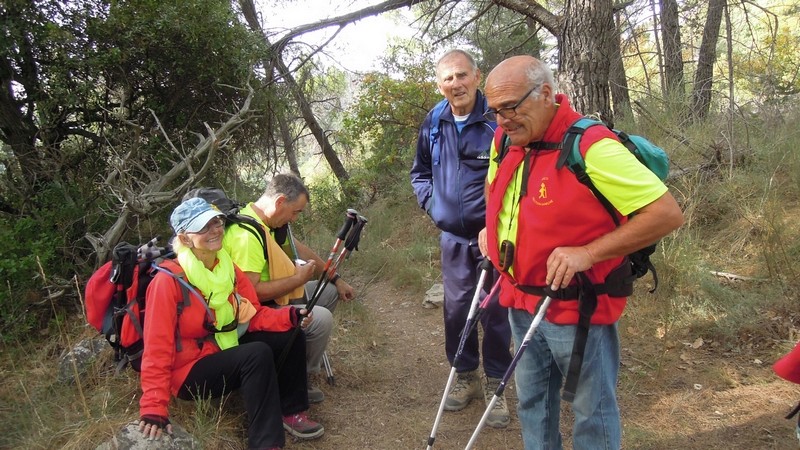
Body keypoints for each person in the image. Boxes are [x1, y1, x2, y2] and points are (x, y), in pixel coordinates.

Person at [478, 55, 684, 449]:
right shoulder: (506, 140)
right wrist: (491, 226)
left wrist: (588, 253)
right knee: (532, 402)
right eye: (495, 111)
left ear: (545, 93)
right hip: (520, 300)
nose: (503, 119)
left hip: (576, 309)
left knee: (593, 409)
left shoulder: (589, 145)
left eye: (511, 107)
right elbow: (497, 190)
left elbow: (666, 214)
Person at [138, 197, 324, 449]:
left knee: (290, 334)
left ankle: (291, 412)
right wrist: (153, 407)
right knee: (255, 354)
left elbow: (252, 314)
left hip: (222, 346)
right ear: (184, 238)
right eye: (203, 227)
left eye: (216, 222)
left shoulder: (227, 267)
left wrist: (289, 316)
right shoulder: (168, 282)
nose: (215, 230)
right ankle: (266, 443)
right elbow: (156, 348)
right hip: (188, 371)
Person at [410, 49, 513, 428]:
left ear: (476, 76)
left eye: (461, 76)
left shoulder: (497, 120)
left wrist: (496, 222)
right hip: (452, 238)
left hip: (496, 238)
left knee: (497, 311)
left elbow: (515, 177)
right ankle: (466, 376)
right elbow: (419, 172)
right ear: (440, 85)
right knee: (456, 311)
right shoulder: (434, 121)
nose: (456, 84)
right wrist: (433, 205)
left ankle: (497, 386)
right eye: (448, 79)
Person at [223, 173, 355, 404]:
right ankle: (293, 378)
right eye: (295, 212)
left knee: (328, 291)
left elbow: (301, 251)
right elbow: (250, 295)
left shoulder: (269, 222)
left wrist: (335, 279)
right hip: (256, 312)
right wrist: (297, 280)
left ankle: (298, 364)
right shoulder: (247, 236)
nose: (294, 219)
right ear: (280, 202)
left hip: (281, 296)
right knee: (321, 318)